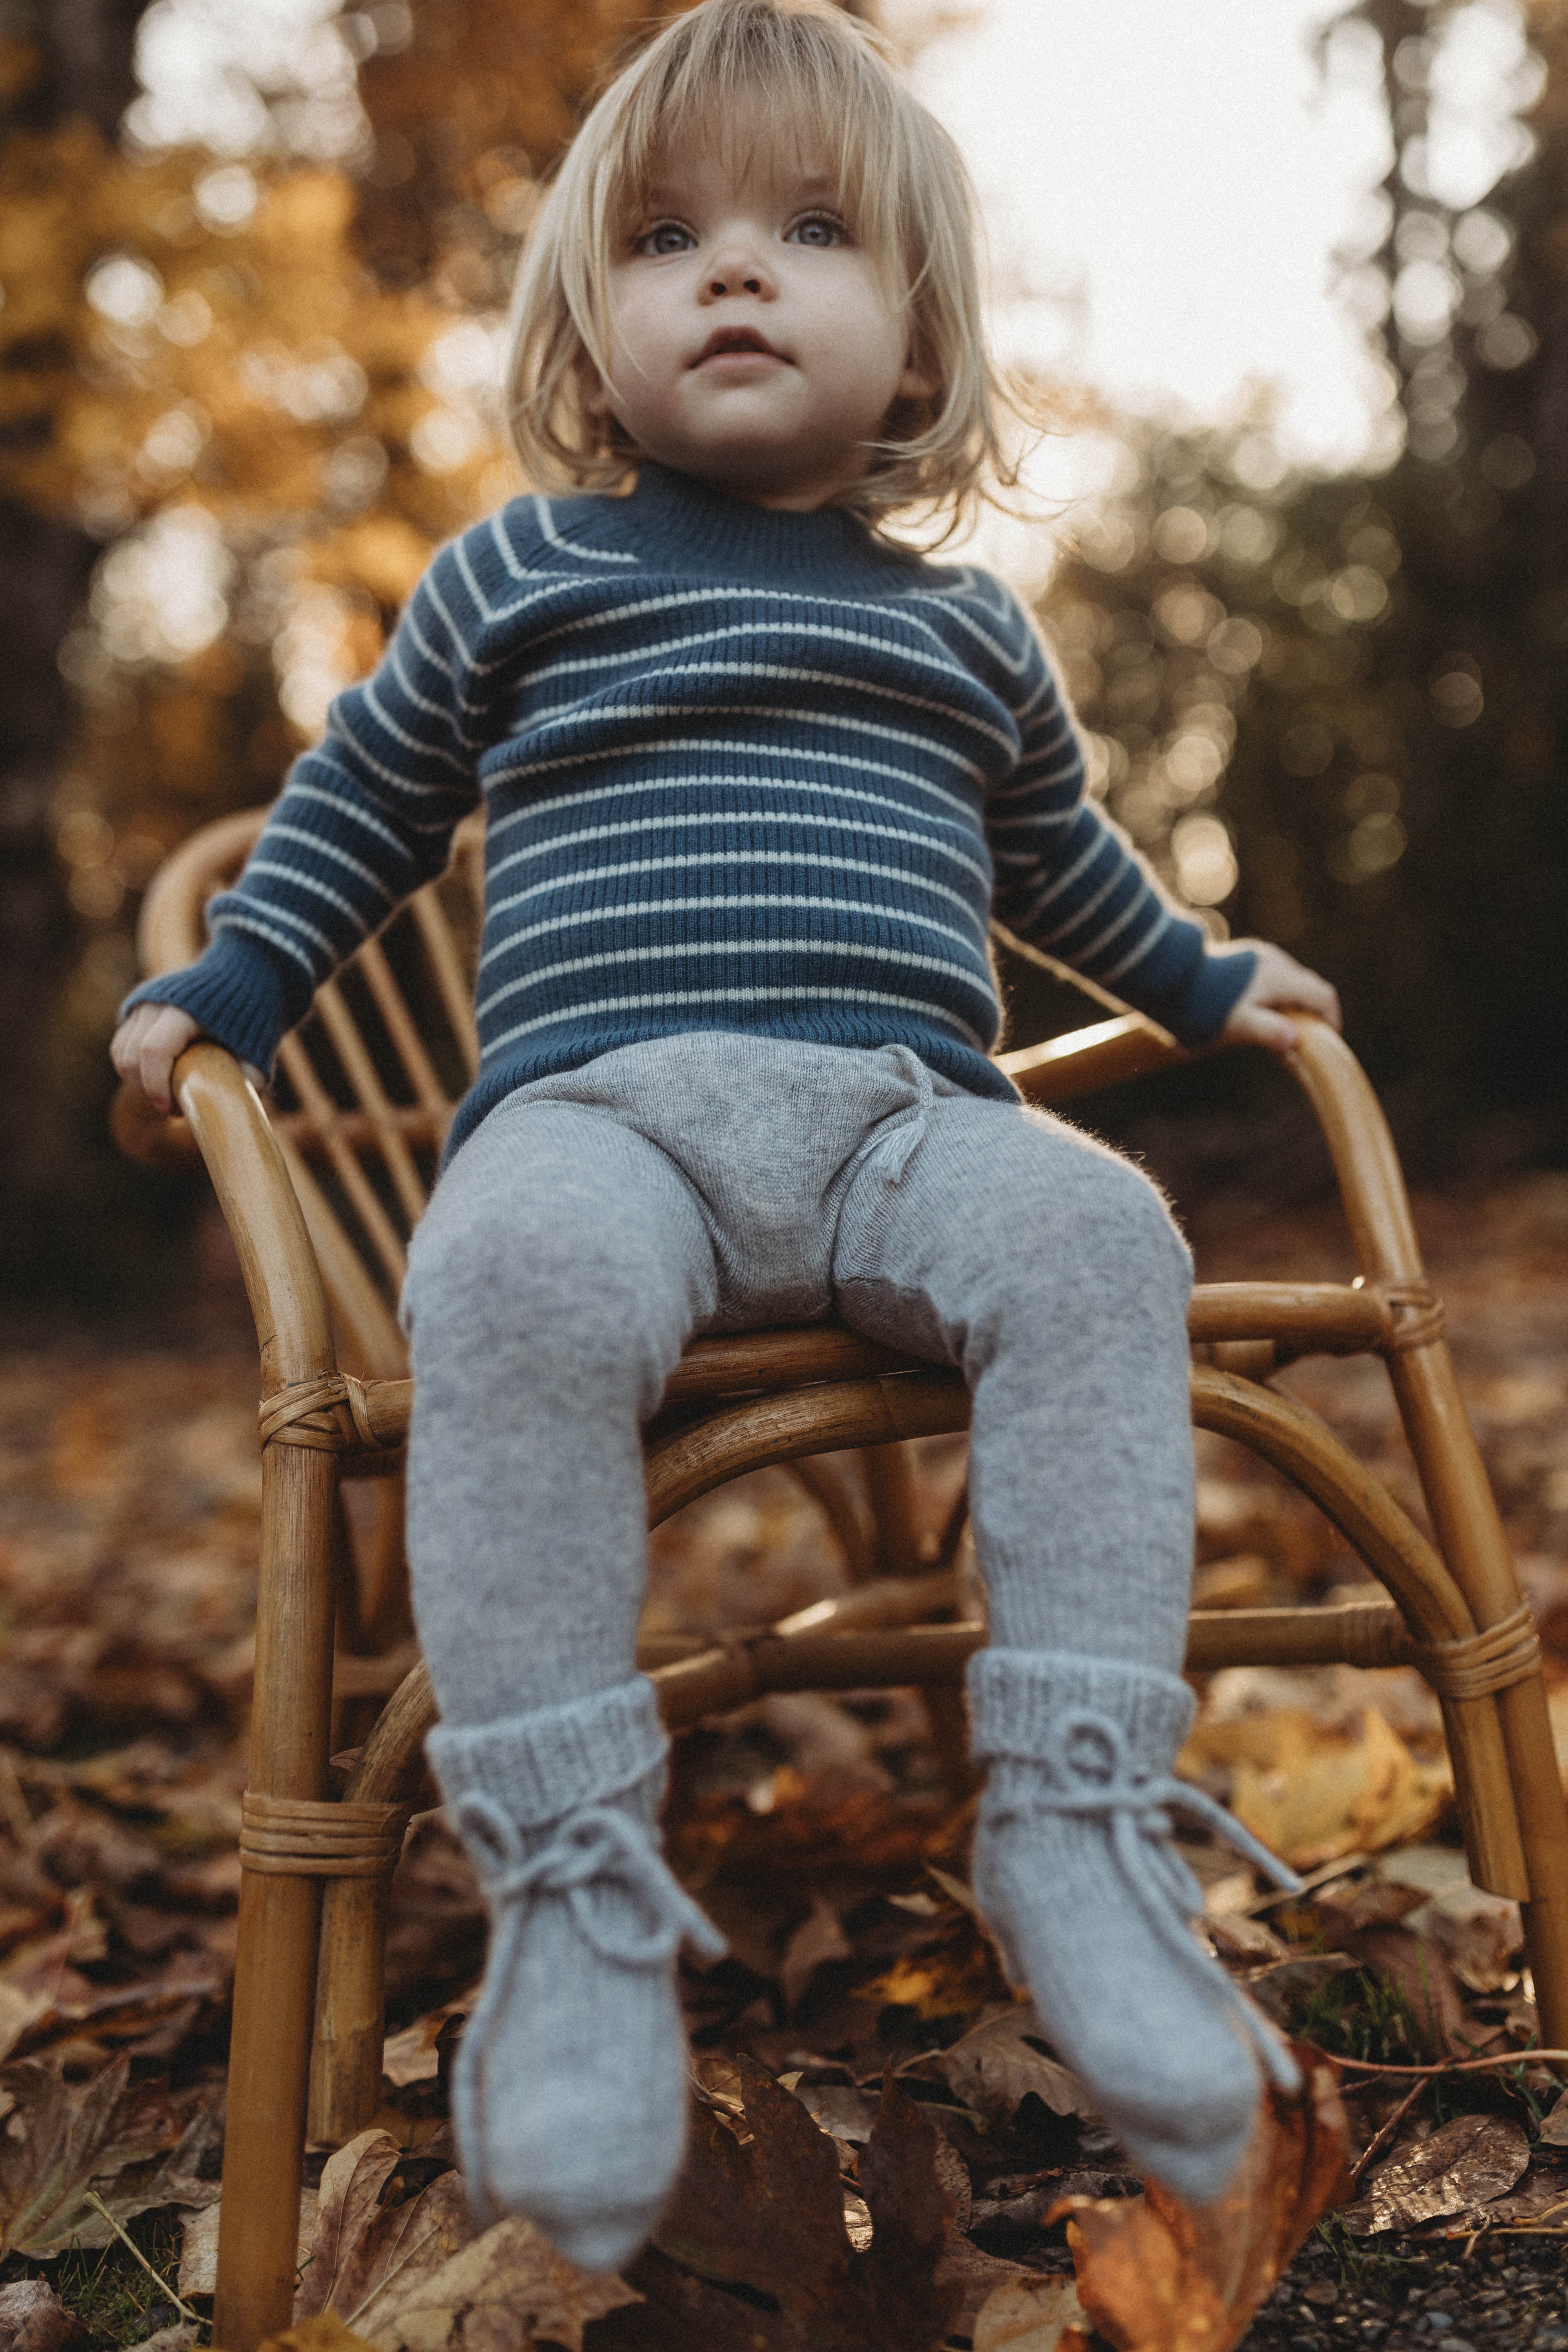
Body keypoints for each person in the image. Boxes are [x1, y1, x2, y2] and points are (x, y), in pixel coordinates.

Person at [113, 0, 1341, 2275]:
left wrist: (1192, 980)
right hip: (603, 1120)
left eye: (806, 231)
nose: (736, 274)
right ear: (592, 316)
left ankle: (1067, 1819)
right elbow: (356, 812)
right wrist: (236, 987)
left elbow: (1057, 871)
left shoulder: (962, 636)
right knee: (506, 1277)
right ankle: (572, 1892)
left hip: (899, 1124)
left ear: (917, 340)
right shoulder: (522, 579)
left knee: (1099, 1241)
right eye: (668, 238)